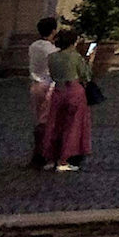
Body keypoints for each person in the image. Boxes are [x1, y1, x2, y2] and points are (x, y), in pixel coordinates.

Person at [40, 26, 93, 172]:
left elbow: (52, 74)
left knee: (55, 124)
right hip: (74, 91)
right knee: (72, 125)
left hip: (58, 91)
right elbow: (86, 76)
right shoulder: (75, 57)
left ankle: (50, 157)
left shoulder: (52, 57)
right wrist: (89, 61)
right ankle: (64, 159)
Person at [27, 16, 58, 169]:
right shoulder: (52, 49)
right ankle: (44, 154)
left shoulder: (33, 46)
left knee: (38, 119)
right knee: (47, 121)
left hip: (35, 85)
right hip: (49, 86)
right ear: (53, 31)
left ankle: (37, 153)